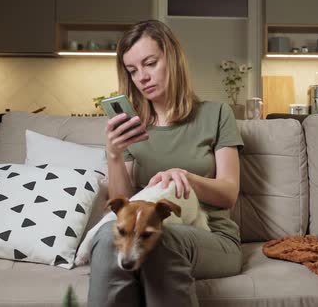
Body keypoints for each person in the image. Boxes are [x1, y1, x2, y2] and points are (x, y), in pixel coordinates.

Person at [88, 20, 244, 307]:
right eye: (133, 71)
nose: (142, 77)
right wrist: (114, 155)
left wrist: (186, 177)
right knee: (107, 237)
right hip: (147, 233)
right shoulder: (135, 128)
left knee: (161, 239)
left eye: (149, 63)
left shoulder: (216, 114)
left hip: (212, 238)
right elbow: (124, 204)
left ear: (172, 58)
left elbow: (229, 193)